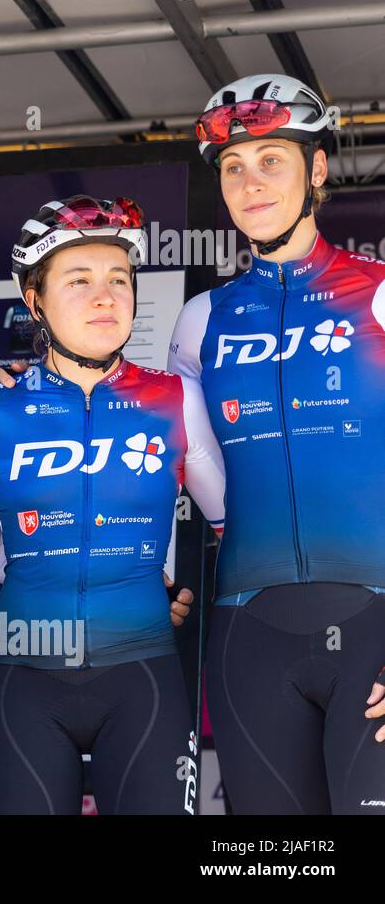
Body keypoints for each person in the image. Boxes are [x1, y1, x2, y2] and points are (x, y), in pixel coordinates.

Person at [0, 195, 227, 814]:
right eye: (78, 281)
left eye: (119, 279)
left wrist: (131, 577)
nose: (105, 297)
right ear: (35, 300)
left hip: (143, 679)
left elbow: (243, 532)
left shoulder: (176, 401)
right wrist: (48, 564)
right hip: (24, 685)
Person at [167, 74, 385, 813]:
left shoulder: (380, 293)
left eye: (272, 161)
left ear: (317, 169)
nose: (249, 182)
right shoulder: (200, 323)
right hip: (247, 635)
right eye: (233, 166)